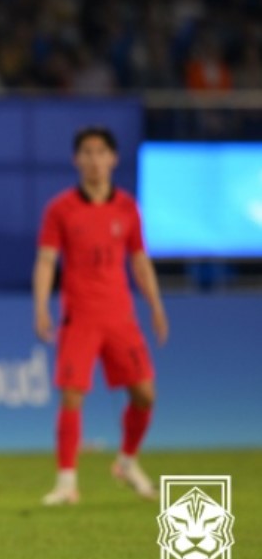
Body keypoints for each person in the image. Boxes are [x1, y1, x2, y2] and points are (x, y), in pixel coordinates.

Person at [33, 126, 170, 506]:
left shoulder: (127, 208)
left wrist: (156, 306)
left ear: (113, 158)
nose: (94, 160)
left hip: (119, 315)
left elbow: (140, 261)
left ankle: (127, 460)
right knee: (72, 395)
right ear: (77, 160)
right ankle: (66, 482)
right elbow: (46, 261)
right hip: (80, 315)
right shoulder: (60, 209)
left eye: (100, 152)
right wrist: (42, 305)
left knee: (145, 394)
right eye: (87, 153)